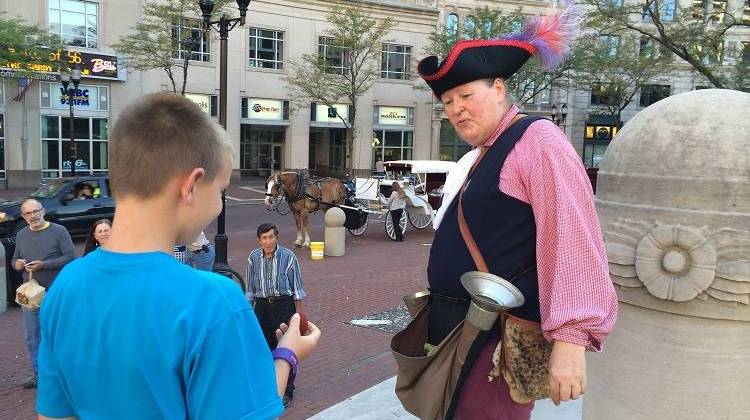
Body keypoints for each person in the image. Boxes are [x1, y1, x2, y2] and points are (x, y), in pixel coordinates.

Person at [35, 93, 320, 420]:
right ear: (191, 186)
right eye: (220, 190)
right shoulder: (214, 300)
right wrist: (288, 355)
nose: (218, 205)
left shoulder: (65, 287)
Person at [414, 4, 618, 419]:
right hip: (464, 331)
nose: (456, 109)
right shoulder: (483, 154)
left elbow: (572, 238)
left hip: (498, 342)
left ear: (500, 88)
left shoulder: (537, 139)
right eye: (448, 101)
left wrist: (571, 340)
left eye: (467, 95)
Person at [11, 199, 75, 389]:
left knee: (57, 334)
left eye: (36, 211)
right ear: (23, 216)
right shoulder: (21, 234)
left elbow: (70, 256)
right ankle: (39, 374)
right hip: (30, 294)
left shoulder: (58, 231)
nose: (33, 216)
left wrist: (44, 264)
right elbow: (15, 259)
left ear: (43, 211)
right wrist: (18, 264)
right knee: (32, 336)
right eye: (28, 213)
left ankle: (62, 374)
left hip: (55, 292)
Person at [246, 223, 306, 408]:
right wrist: (249, 315)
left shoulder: (288, 257)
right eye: (264, 238)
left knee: (285, 349)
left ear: (277, 238)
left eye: (271, 237)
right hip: (262, 307)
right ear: (259, 240)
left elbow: (297, 290)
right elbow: (250, 291)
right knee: (262, 348)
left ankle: (287, 390)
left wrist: (297, 317)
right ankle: (268, 388)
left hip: (283, 305)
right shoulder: (253, 258)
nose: (268, 241)